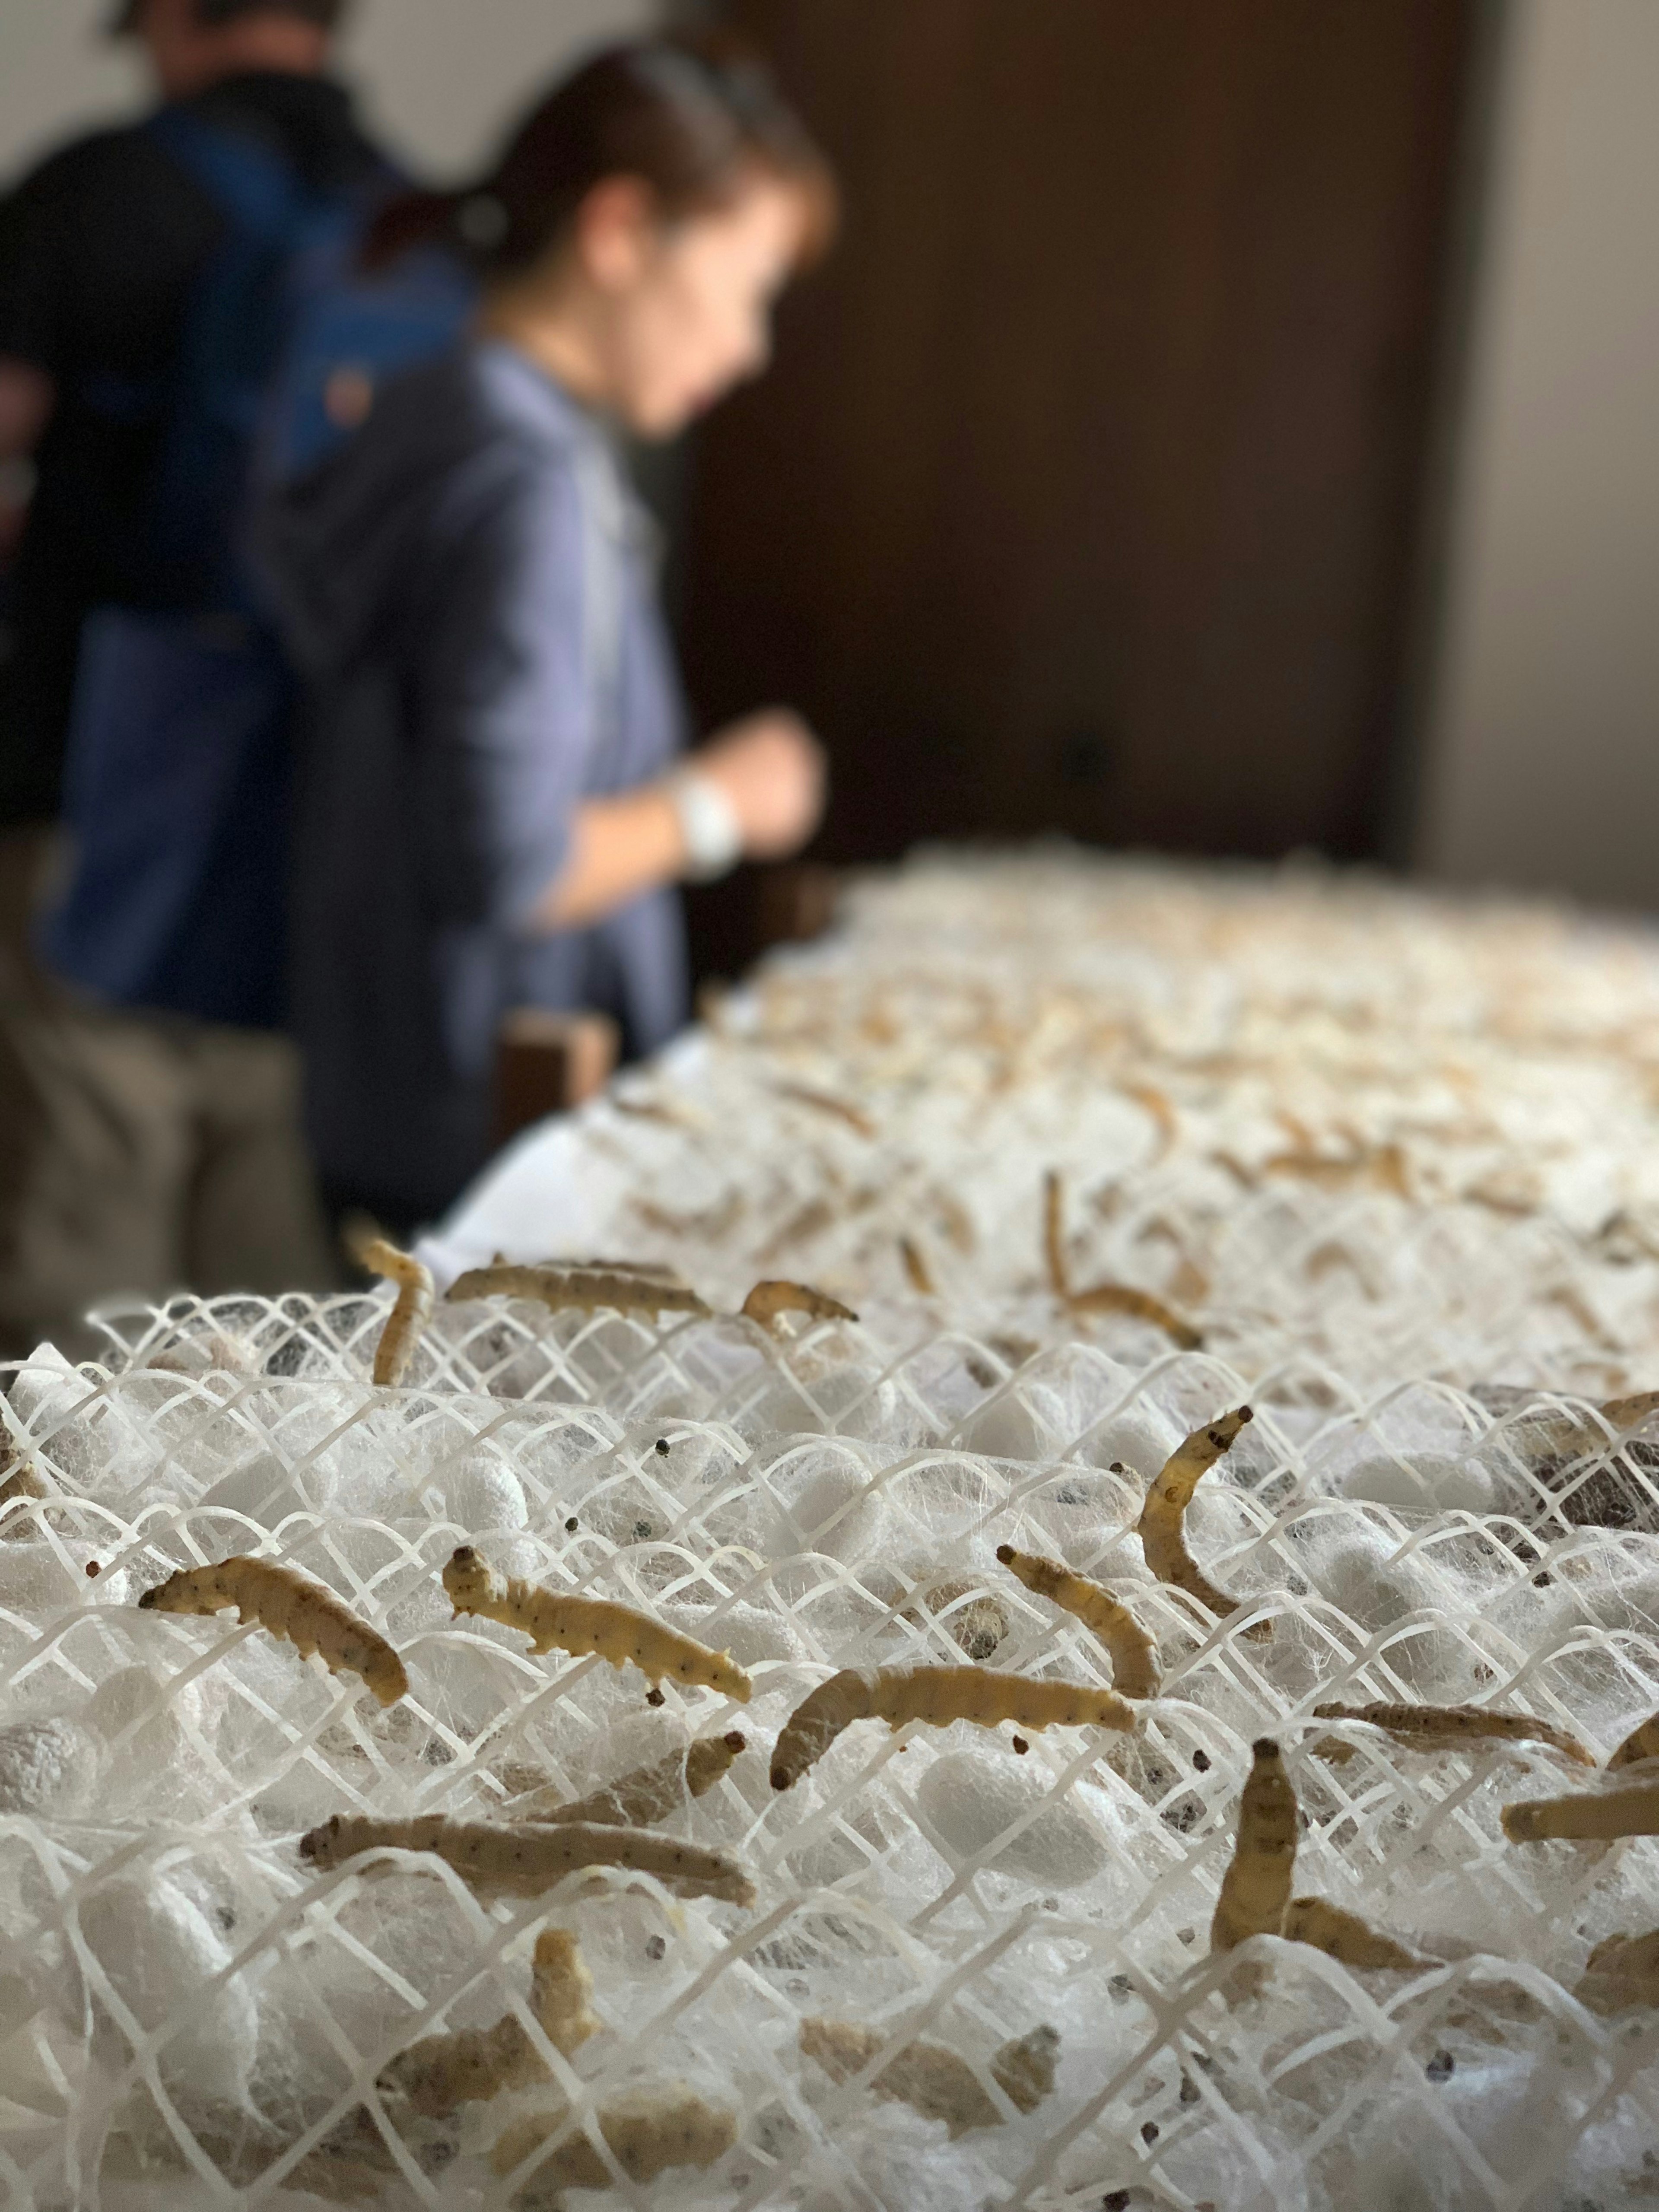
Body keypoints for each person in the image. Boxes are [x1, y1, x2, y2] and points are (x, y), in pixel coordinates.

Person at [257, 35, 836, 1238]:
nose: (751, 345)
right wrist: (721, 804)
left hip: (380, 1082)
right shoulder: (531, 485)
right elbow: (513, 865)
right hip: (492, 1121)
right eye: (747, 288)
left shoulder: (437, 409)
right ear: (621, 232)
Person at [0, 0, 388, 1354]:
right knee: (274, 1257)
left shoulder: (95, 190)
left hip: (96, 768)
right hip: (327, 788)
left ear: (168, 17)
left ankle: (64, 1563)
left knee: (80, 1247)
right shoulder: (414, 217)